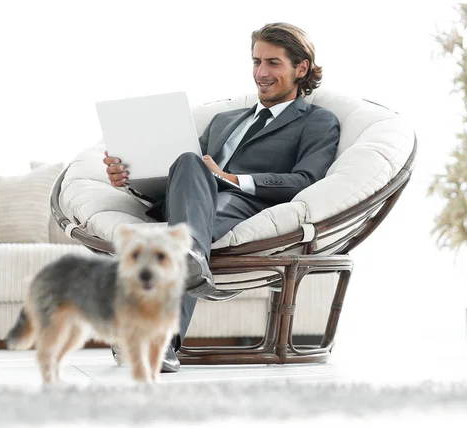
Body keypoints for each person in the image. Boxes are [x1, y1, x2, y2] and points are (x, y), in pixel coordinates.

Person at [102, 22, 340, 372]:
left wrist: (231, 178)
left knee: (181, 228)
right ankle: (190, 256)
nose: (261, 72)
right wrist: (129, 179)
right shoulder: (224, 120)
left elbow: (306, 179)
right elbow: (182, 174)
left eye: (273, 63)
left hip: (239, 205)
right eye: (256, 61)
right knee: (186, 161)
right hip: (189, 204)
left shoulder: (317, 122)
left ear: (300, 68)